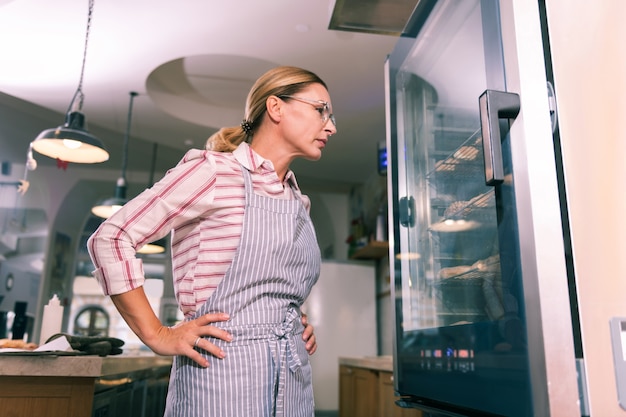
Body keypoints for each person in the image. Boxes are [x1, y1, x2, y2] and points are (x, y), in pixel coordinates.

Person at [87, 65, 337, 417]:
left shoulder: (299, 201)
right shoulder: (213, 173)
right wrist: (158, 334)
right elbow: (111, 238)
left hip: (293, 380)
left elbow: (270, 285)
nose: (331, 126)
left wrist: (295, 318)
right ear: (276, 108)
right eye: (320, 110)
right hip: (219, 374)